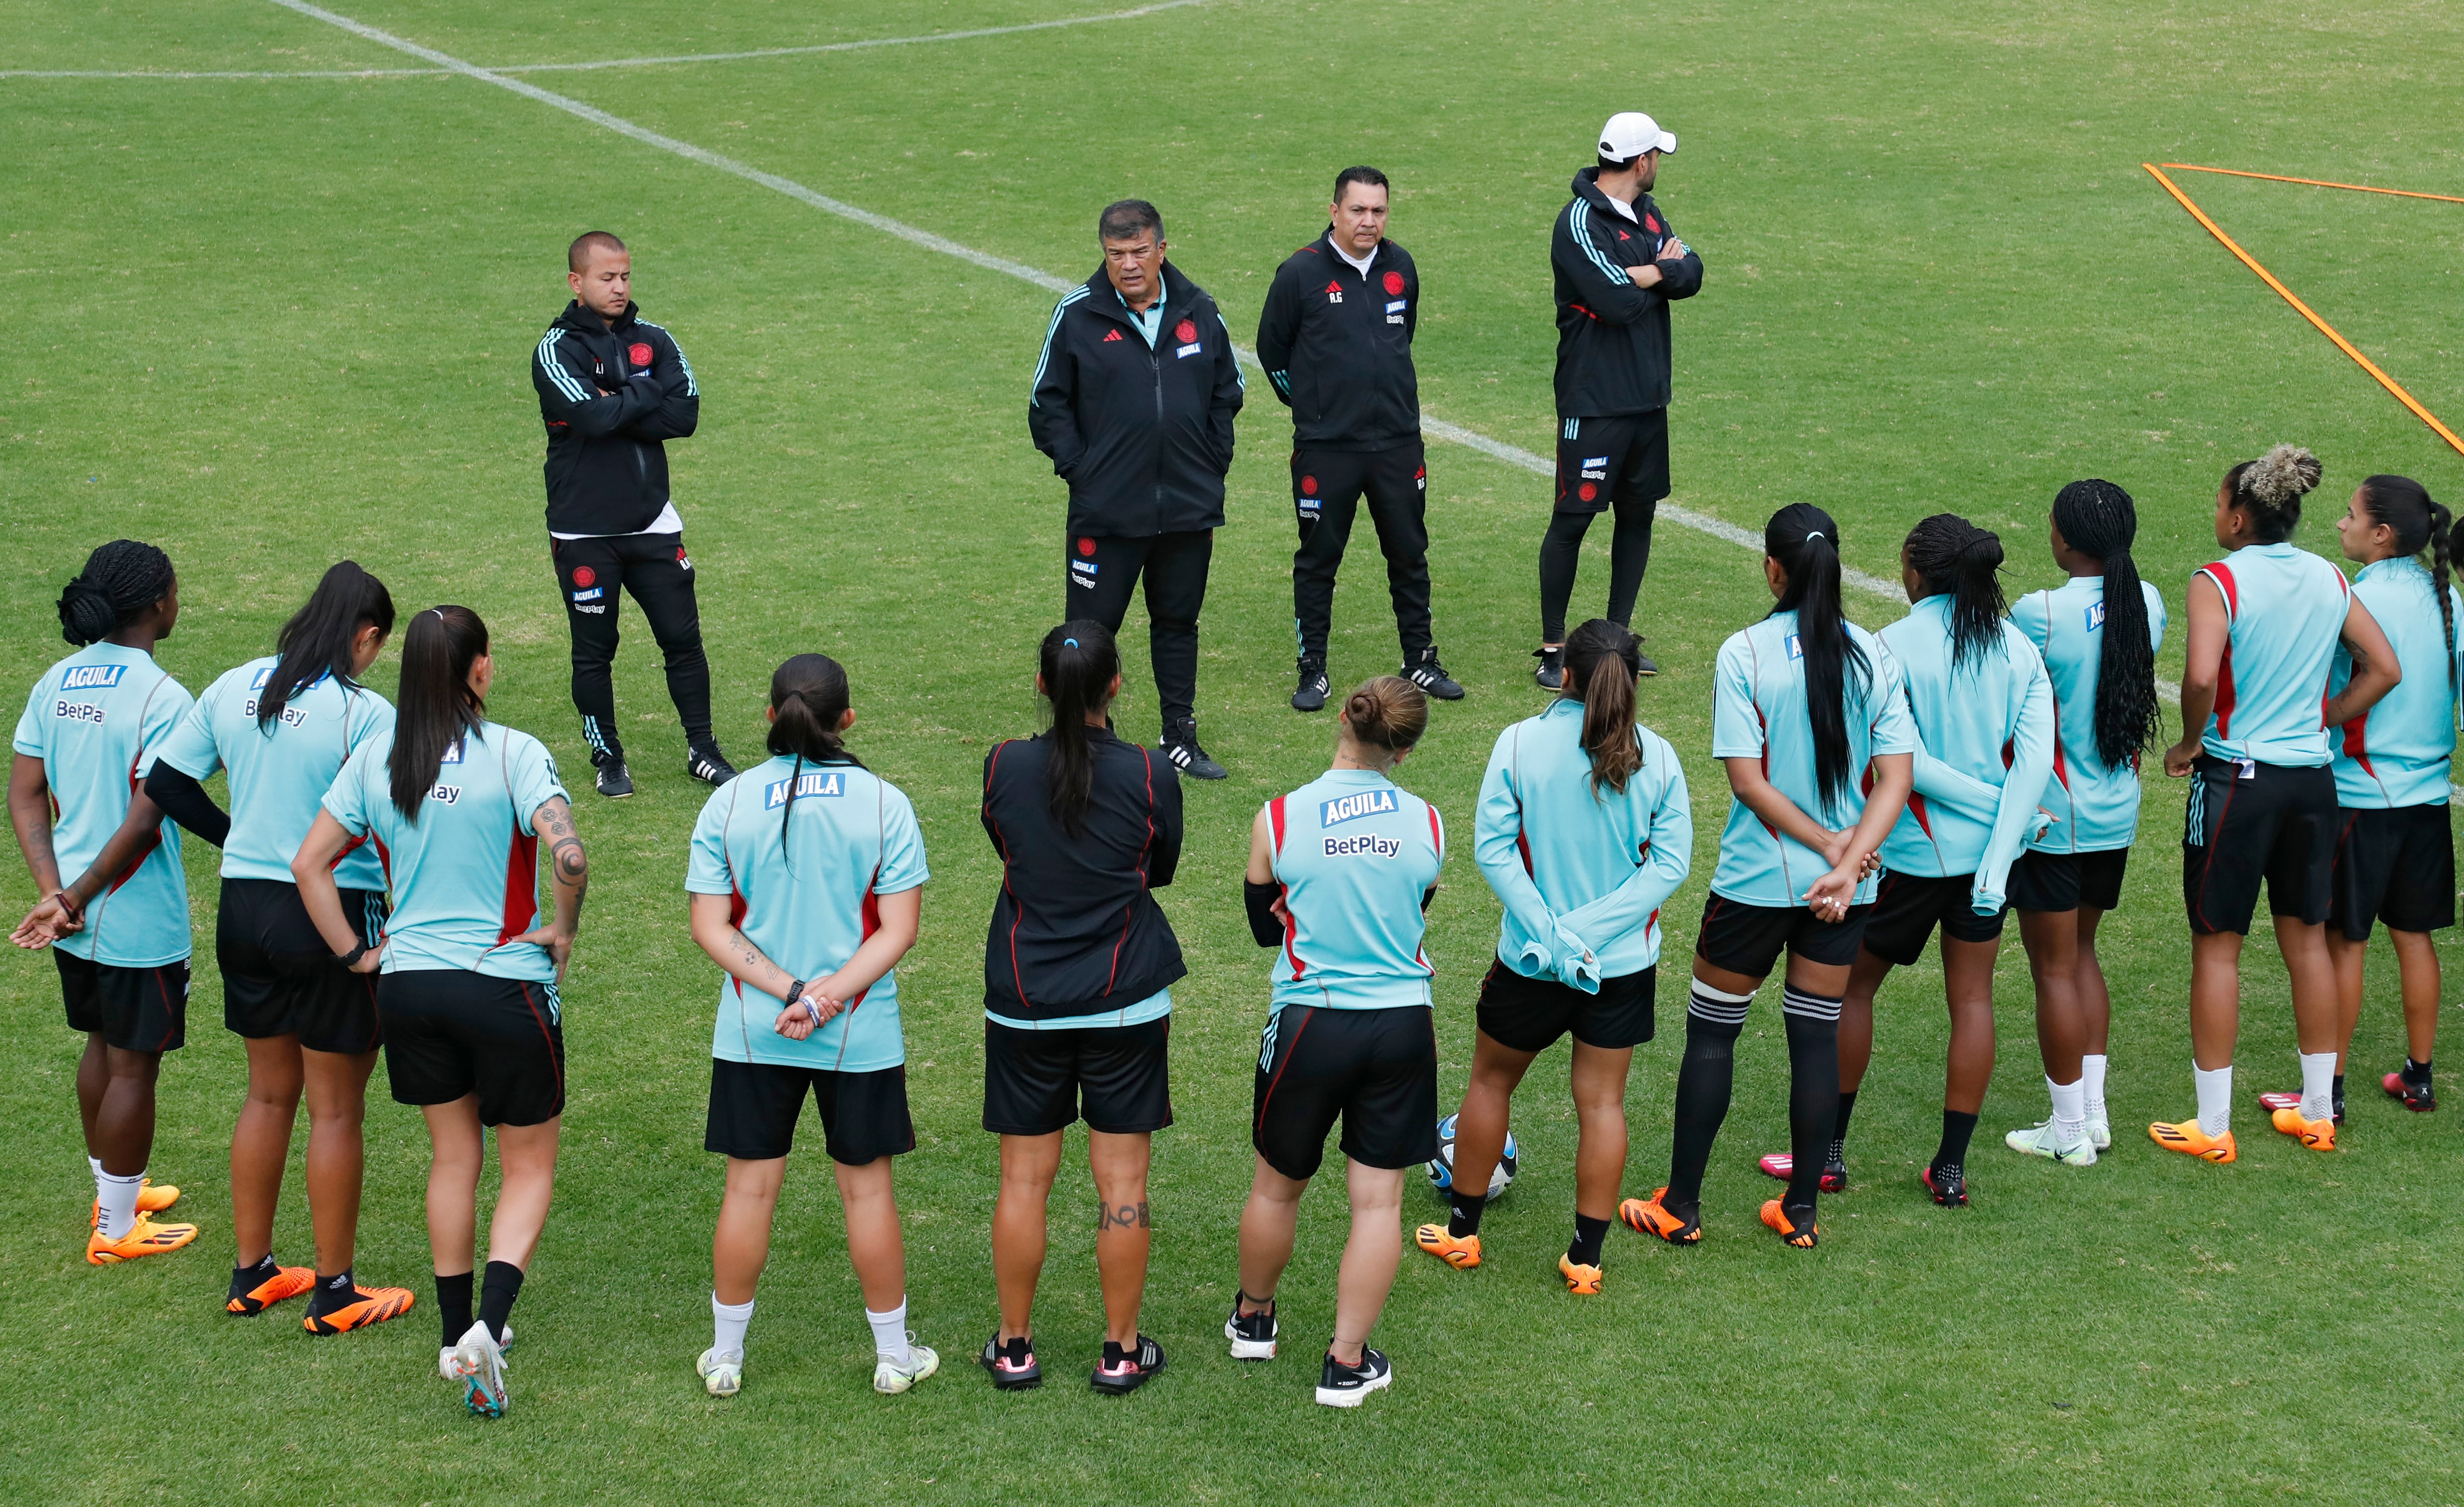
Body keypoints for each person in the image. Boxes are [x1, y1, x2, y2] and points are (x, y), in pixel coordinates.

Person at [292, 606, 586, 1418]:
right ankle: (489, 1324)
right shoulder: (516, 753)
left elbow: (307, 862)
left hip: (411, 988)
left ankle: (456, 1332)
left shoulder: (378, 760)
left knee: (453, 1159)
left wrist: (358, 954)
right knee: (527, 1165)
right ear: (479, 668)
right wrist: (562, 929)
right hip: (502, 984)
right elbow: (568, 851)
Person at [1621, 505, 1912, 1251]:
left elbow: (1748, 782)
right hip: (1841, 898)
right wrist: (1846, 864)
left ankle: (1681, 1206)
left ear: (1772, 568)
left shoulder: (1743, 653)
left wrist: (1821, 846)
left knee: (1713, 1037)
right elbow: (1896, 779)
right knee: (1814, 1042)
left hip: (1755, 883)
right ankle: (1799, 1213)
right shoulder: (1875, 655)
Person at [151, 562, 416, 1330]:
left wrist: (238, 838)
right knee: (336, 1112)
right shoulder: (364, 714)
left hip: (245, 910)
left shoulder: (234, 685)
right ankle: (336, 1291)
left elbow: (167, 784)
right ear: (365, 636)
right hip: (331, 911)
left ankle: (252, 1272)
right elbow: (396, 817)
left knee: (268, 1093)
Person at [1761, 516, 2052, 1207]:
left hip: (1904, 858)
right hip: (1987, 863)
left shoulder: (1888, 646)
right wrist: (2002, 838)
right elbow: (2033, 767)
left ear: (1917, 572)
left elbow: (1902, 765)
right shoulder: (2018, 650)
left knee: (1851, 990)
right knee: (1973, 1000)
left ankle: (1828, 1157)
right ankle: (1949, 1168)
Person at [684, 654, 935, 1398]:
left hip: (754, 1032)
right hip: (857, 1034)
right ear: (846, 720)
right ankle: (894, 1358)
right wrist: (822, 1001)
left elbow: (711, 925)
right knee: (866, 1195)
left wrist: (786, 991)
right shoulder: (885, 803)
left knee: (748, 1194)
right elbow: (897, 932)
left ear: (769, 718)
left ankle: (725, 1358)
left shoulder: (726, 804)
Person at [1414, 620, 1688, 1293]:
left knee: (1489, 1084)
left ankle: (1461, 1235)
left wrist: (1554, 935)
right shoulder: (1660, 757)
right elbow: (1668, 866)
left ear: (1564, 673)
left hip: (1530, 962)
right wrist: (1589, 935)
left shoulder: (1518, 743)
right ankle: (1584, 1260)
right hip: (1618, 968)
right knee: (1602, 1105)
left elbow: (1493, 850)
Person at [2153, 446, 2400, 1162]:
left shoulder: (2217, 581)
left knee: (2218, 948)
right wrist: (2325, 718)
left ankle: (2211, 1125)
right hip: (2312, 786)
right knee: (2307, 944)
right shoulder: (2328, 575)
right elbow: (2383, 668)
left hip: (2238, 785)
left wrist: (2187, 742)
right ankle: (2316, 1111)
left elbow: (2200, 676)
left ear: (2238, 515)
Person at [976, 623, 1185, 1394]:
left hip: (1025, 1003)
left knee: (1023, 1183)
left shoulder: (1003, 764)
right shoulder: (1149, 770)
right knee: (1122, 1187)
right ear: (1116, 687)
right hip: (1124, 1002)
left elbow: (1007, 845)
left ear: (1040, 686)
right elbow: (1158, 867)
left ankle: (1014, 1347)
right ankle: (1120, 1351)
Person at [1232, 676, 1443, 1407]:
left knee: (1275, 1185)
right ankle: (1345, 1363)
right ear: (1404, 750)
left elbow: (1266, 926)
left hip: (1309, 1023)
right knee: (1378, 1204)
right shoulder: (1429, 823)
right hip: (1400, 1024)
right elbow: (1416, 908)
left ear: (1343, 723)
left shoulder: (1279, 817)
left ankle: (1253, 1323)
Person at [8, 541, 202, 1265]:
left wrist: (53, 895)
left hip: (70, 915)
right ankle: (118, 1229)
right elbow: (148, 815)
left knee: (101, 1046)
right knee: (132, 1067)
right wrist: (79, 894)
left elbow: (25, 792)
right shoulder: (162, 696)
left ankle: (112, 1193)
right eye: (176, 591)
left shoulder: (55, 680)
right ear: (156, 604)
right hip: (132, 913)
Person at [2254, 476, 2456, 1121]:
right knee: (2414, 937)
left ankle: (2327, 1094)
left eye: (2348, 516)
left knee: (2344, 943)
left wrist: (2325, 715)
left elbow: (2325, 676)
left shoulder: (2354, 596)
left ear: (2381, 534)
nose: (2338, 525)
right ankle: (2417, 1078)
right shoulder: (2449, 596)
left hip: (2359, 799)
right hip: (2426, 801)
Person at [1028, 200, 1246, 779]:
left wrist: (1211, 461)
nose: (1127, 265)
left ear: (1162, 249)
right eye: (1115, 254)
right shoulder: (1076, 314)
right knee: (1089, 636)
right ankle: (1088, 741)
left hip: (1187, 510)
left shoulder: (1200, 310)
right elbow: (1046, 405)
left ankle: (1179, 735)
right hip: (1107, 515)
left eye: (1138, 252)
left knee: (1178, 623)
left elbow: (1229, 391)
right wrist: (1086, 471)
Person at [533, 229, 734, 798]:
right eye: (606, 278)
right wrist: (643, 395)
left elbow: (686, 414)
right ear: (577, 282)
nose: (619, 287)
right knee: (595, 652)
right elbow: (590, 421)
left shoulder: (656, 339)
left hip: (653, 525)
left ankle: (704, 748)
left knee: (682, 639)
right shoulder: (556, 350)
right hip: (584, 532)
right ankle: (607, 755)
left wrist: (616, 399)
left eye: (625, 277)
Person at [1255, 166, 1461, 711]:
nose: (1368, 221)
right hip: (1327, 450)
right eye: (1358, 210)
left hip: (1397, 444)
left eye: (1379, 211)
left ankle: (1420, 658)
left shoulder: (1401, 267)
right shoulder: (1300, 274)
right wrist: (1311, 407)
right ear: (1334, 212)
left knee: (1410, 554)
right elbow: (1271, 352)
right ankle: (1313, 670)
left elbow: (1402, 335)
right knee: (1319, 559)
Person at [2003, 481, 2166, 1161]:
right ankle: (2091, 1113)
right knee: (2083, 956)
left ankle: (2068, 1132)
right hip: (2114, 814)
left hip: (2051, 818)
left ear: (2066, 540)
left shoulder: (2039, 611)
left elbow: (2004, 694)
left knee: (2053, 970)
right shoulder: (2147, 600)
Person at [1535, 111, 1704, 687]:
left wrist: (1646, 273)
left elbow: (1695, 271)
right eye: (1658, 156)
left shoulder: (1648, 214)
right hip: (1595, 403)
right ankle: (1554, 649)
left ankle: (1619, 637)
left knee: (1638, 516)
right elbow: (1615, 302)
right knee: (1573, 519)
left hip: (1647, 401)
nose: (1660, 165)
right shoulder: (1578, 221)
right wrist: (1663, 271)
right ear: (1641, 162)